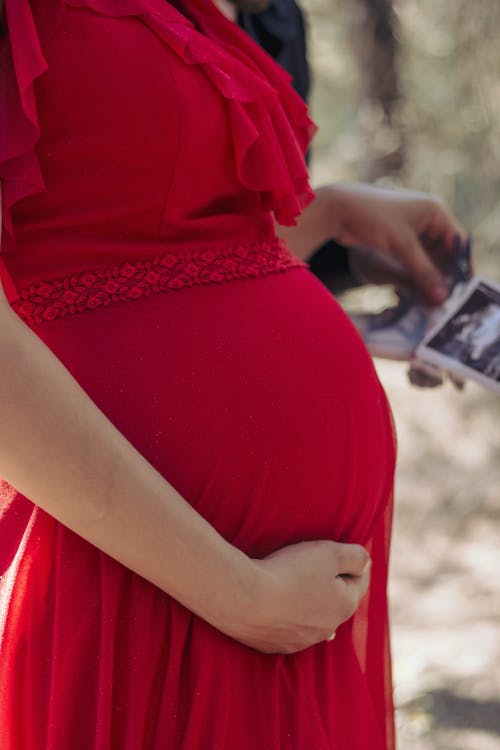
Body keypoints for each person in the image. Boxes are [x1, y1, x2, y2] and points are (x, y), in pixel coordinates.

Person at [0, 1, 463, 748]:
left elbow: (152, 236)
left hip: (284, 608)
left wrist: (335, 213)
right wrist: (237, 593)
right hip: (152, 583)